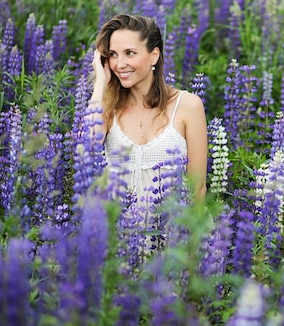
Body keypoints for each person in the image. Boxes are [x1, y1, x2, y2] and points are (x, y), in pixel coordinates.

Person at [87, 14, 208, 215]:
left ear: (154, 55)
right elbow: (86, 150)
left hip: (172, 237)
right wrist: (101, 81)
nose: (119, 63)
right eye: (113, 54)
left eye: (129, 53)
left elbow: (198, 188)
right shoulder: (108, 107)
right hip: (118, 238)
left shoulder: (187, 105)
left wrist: (190, 244)